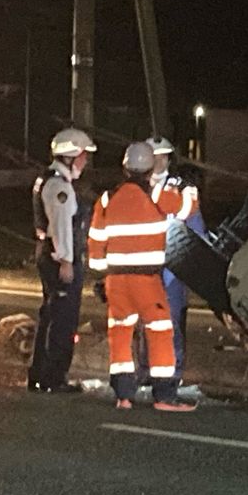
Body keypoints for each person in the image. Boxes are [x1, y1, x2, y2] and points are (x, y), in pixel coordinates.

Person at [88, 142, 195, 412]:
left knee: (121, 334)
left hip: (116, 282)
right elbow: (187, 209)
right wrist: (188, 188)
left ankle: (123, 395)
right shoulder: (156, 194)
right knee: (159, 332)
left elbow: (96, 240)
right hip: (147, 281)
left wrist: (102, 275)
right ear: (149, 168)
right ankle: (164, 396)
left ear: (125, 167)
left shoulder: (107, 198)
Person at [27, 127, 96, 394]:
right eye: (83, 156)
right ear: (72, 155)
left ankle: (40, 374)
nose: (86, 161)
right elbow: (61, 227)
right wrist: (66, 261)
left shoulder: (49, 180)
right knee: (62, 319)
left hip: (49, 254)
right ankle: (53, 377)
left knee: (51, 315)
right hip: (58, 258)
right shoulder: (59, 186)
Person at [143, 136, 205, 382]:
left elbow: (195, 223)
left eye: (161, 156)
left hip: (172, 262)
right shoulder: (138, 185)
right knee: (148, 320)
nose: (157, 160)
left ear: (168, 157)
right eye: (153, 156)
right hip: (145, 261)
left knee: (172, 319)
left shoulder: (181, 186)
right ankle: (147, 371)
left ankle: (172, 372)